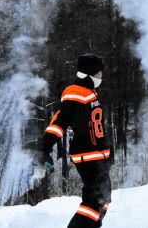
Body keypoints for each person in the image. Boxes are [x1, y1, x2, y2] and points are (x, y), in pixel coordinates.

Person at [36, 53, 112, 228]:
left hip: (97, 157)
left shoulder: (88, 92)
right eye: (99, 73)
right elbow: (59, 122)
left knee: (102, 200)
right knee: (95, 201)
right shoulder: (75, 94)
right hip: (88, 156)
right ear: (90, 73)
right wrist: (44, 148)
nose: (102, 76)